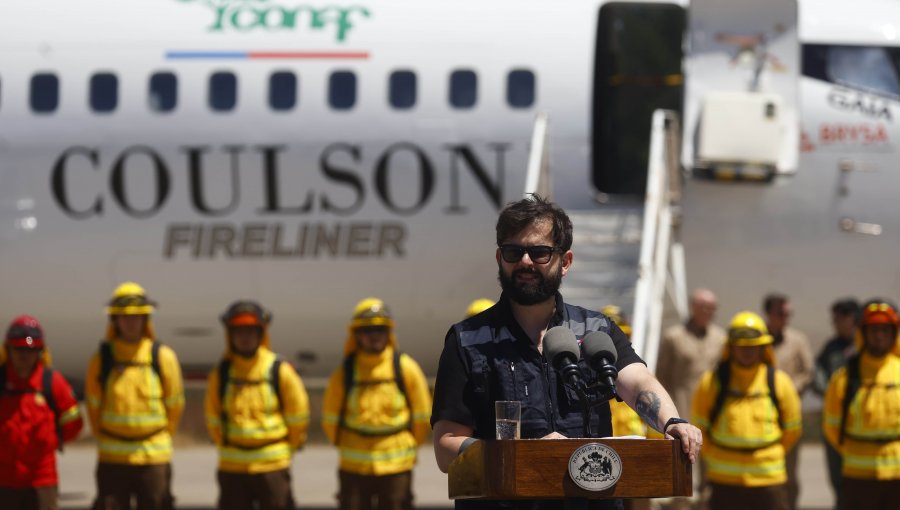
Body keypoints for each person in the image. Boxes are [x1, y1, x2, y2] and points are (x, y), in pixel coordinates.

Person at [431, 194, 703, 510]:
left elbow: (637, 381)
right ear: (499, 258)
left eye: (540, 252)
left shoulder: (596, 330)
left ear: (566, 262)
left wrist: (672, 422)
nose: (525, 262)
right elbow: (445, 447)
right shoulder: (466, 341)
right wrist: (527, 456)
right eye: (513, 251)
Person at [322, 297, 433, 510]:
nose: (374, 336)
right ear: (356, 334)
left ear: (389, 333)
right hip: (353, 466)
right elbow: (330, 418)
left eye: (380, 330)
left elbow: (422, 415)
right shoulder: (345, 372)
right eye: (367, 330)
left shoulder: (406, 368)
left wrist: (406, 446)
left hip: (396, 465)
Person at [85, 282, 184, 510]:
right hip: (112, 459)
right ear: (114, 320)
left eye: (138, 316)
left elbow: (175, 404)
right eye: (125, 317)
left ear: (146, 319)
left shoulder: (163, 357)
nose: (131, 323)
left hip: (153, 458)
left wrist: (159, 437)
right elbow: (93, 405)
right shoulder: (102, 360)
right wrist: (108, 438)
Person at [691, 311, 802, 510]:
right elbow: (699, 426)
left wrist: (765, 455)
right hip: (723, 481)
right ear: (730, 347)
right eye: (741, 346)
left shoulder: (779, 382)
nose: (747, 351)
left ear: (763, 348)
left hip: (769, 480)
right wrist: (720, 457)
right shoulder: (712, 382)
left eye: (753, 346)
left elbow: (792, 430)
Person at [205, 300, 310, 510]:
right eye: (239, 332)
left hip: (273, 467)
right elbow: (213, 416)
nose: (245, 337)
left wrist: (284, 451)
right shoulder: (223, 373)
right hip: (232, 469)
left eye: (251, 331)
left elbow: (299, 415)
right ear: (230, 335)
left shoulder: (279, 369)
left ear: (261, 334)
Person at [822, 299, 900, 510]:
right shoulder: (844, 378)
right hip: (857, 477)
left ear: (894, 333)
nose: (879, 335)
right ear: (863, 333)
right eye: (874, 330)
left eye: (885, 330)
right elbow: (831, 426)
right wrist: (858, 450)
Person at [0, 315, 83, 510]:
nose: (24, 356)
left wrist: (49, 443)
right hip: (4, 480)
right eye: (18, 350)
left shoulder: (52, 383)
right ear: (8, 350)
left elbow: (73, 424)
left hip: (42, 479)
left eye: (30, 351)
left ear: (40, 352)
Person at [656, 288, 726, 510]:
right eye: (704, 307)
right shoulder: (673, 337)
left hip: (712, 416)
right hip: (682, 411)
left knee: (711, 476)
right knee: (685, 473)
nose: (709, 312)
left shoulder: (721, 338)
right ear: (693, 307)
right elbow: (661, 377)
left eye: (713, 308)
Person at [763, 293, 813, 510]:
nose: (786, 318)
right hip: (759, 415)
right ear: (769, 314)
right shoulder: (756, 339)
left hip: (788, 417)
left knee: (789, 474)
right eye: (781, 313)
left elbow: (808, 372)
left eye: (788, 313)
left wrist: (791, 388)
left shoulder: (798, 340)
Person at [813, 298, 860, 510]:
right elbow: (817, 375)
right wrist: (831, 393)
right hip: (834, 423)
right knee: (837, 476)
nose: (834, 323)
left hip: (862, 422)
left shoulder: (867, 345)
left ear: (852, 318)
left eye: (838, 319)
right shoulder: (831, 348)